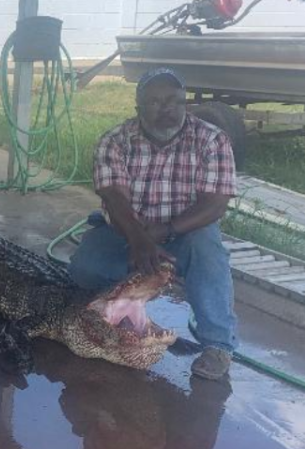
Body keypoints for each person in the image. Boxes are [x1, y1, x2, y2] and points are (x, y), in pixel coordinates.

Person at [68, 68, 238, 380]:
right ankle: (119, 308)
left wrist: (165, 232)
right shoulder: (114, 140)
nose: (167, 109)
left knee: (209, 258)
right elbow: (114, 197)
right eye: (155, 102)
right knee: (84, 267)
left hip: (186, 230)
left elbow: (215, 203)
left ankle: (218, 345)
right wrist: (137, 239)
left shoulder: (212, 140)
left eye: (174, 101)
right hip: (125, 227)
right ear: (138, 108)